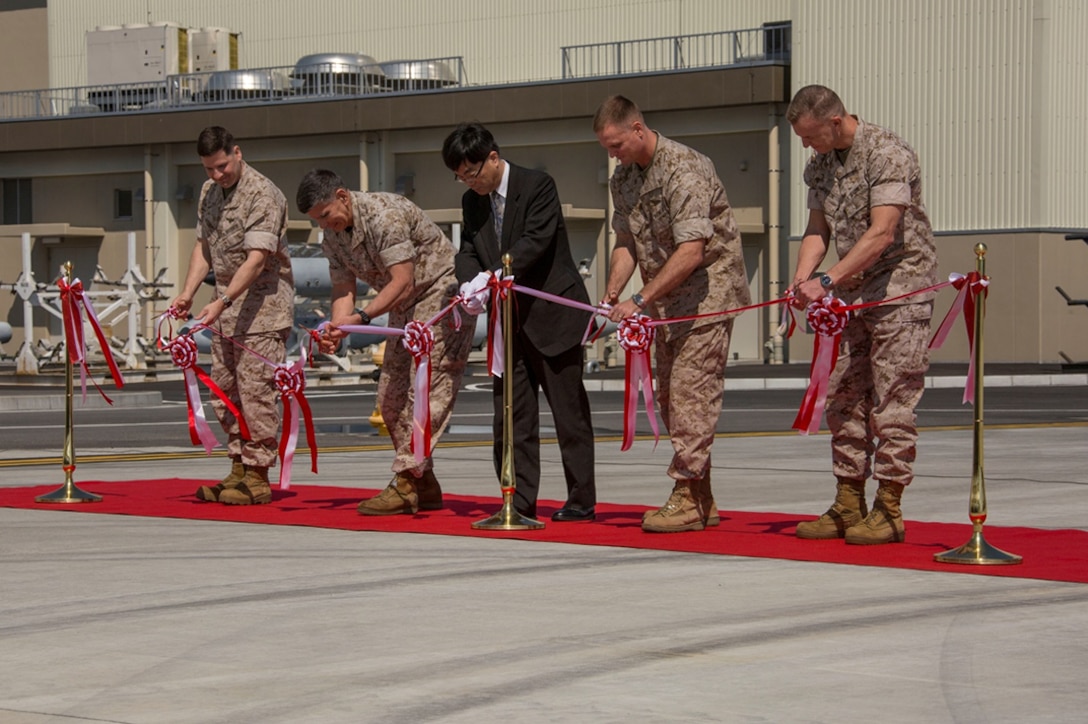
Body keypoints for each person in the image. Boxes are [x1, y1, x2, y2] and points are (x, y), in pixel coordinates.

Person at [786, 84, 939, 545]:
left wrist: (826, 280)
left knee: (893, 399)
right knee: (844, 397)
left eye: (811, 136)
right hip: (851, 293)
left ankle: (888, 507)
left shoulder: (886, 153)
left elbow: (882, 232)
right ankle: (848, 501)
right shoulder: (821, 166)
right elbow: (817, 228)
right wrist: (802, 279)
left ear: (836, 122)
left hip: (899, 289)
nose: (806, 146)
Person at [594, 95, 751, 533]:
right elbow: (626, 241)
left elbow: (691, 252)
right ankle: (702, 497)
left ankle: (685, 494)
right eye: (607, 148)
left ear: (638, 129)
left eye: (617, 145)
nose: (613, 155)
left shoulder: (684, 169)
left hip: (706, 296)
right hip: (666, 303)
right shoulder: (624, 180)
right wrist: (611, 295)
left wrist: (639, 300)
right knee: (669, 398)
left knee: (689, 394)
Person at [295, 169, 476, 516]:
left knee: (426, 391)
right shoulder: (332, 237)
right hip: (402, 306)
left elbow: (403, 280)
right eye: (317, 220)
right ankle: (425, 485)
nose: (324, 224)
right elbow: (342, 287)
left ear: (342, 196)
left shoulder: (383, 215)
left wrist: (361, 319)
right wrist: (336, 327)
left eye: (326, 215)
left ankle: (406, 480)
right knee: (390, 399)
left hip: (440, 297)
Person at [441, 122, 597, 523]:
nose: (469, 182)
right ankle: (518, 498)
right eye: (460, 177)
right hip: (508, 325)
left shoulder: (537, 185)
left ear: (493, 158)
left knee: (569, 413)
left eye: (472, 173)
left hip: (554, 316)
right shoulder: (472, 201)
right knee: (511, 415)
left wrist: (491, 275)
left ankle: (581, 499)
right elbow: (469, 249)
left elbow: (534, 243)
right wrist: (468, 281)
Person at [171, 126, 295, 505]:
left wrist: (222, 300)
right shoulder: (210, 193)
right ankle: (238, 467)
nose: (216, 175)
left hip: (262, 310)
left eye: (222, 166)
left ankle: (257, 476)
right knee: (226, 391)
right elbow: (203, 247)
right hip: (224, 311)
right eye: (209, 169)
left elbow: (257, 260)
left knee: (256, 392)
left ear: (237, 153)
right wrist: (188, 294)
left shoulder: (263, 195)